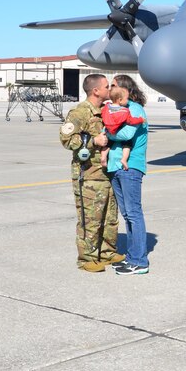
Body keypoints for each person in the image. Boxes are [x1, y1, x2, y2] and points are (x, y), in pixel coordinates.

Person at [59, 74, 123, 272]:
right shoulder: (80, 113)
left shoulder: (106, 110)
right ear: (96, 91)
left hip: (107, 172)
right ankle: (87, 258)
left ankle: (107, 252)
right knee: (90, 218)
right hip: (88, 175)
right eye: (106, 86)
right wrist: (93, 142)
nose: (109, 90)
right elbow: (66, 139)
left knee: (110, 216)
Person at [106, 74, 150, 275]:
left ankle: (140, 262)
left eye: (113, 85)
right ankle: (132, 256)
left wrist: (105, 133)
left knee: (133, 214)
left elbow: (126, 134)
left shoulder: (135, 109)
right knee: (127, 215)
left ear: (124, 89)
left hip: (130, 167)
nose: (110, 88)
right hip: (116, 166)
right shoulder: (116, 107)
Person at [100, 85, 146, 170]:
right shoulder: (124, 111)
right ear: (120, 100)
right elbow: (131, 121)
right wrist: (140, 120)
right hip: (117, 130)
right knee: (127, 143)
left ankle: (103, 156)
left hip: (108, 130)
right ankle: (124, 159)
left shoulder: (106, 107)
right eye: (127, 98)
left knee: (108, 144)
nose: (128, 100)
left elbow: (103, 115)